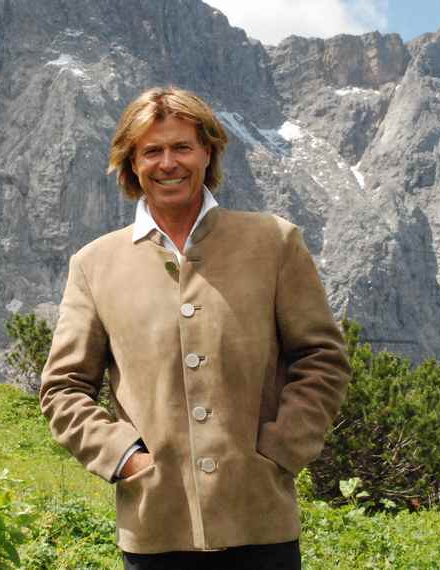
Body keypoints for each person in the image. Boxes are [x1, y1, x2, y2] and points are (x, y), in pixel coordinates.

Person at [40, 86, 351, 570]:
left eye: (182, 147)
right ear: (132, 163)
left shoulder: (274, 243)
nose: (169, 163)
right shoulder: (95, 265)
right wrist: (125, 458)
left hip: (262, 525)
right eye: (153, 151)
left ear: (208, 152)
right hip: (154, 531)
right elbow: (63, 388)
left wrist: (281, 448)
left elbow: (322, 358)